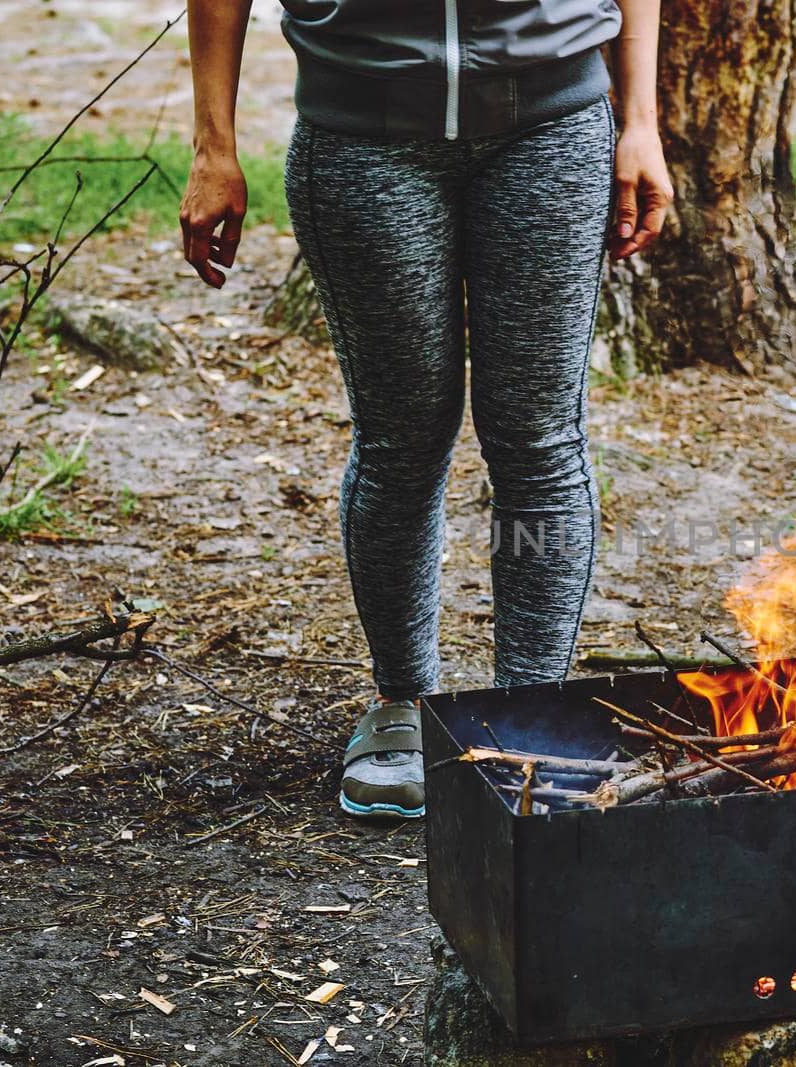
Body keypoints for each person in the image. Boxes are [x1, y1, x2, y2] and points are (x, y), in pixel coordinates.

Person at [180, 0, 672, 819]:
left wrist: (643, 121)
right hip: (361, 130)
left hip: (551, 125)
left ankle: (532, 716)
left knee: (539, 441)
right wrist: (213, 142)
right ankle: (404, 704)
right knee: (401, 438)